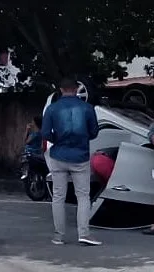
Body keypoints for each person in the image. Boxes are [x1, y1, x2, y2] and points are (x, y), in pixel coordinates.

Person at [40, 77, 101, 246]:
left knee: (58, 196)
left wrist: (57, 140)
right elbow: (94, 132)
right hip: (80, 156)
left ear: (60, 89)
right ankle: (84, 233)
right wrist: (82, 139)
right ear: (76, 89)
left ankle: (58, 236)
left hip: (58, 155)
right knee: (83, 196)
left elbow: (45, 133)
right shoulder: (87, 108)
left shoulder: (52, 109)